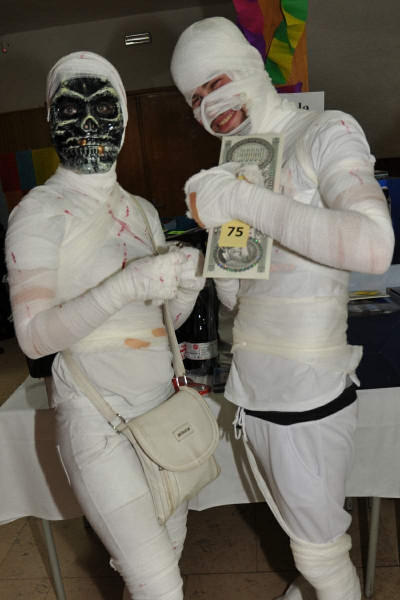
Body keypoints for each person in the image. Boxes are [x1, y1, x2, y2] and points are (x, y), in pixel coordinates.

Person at [170, 17, 394, 600]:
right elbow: (239, 297)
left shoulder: (325, 130)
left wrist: (243, 199)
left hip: (307, 391)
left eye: (215, 82)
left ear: (248, 67)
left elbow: (374, 245)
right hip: (253, 390)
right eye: (194, 98)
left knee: (319, 552)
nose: (208, 106)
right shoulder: (236, 162)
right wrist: (207, 263)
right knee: (301, 534)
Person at [6, 51, 205, 600]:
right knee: (159, 583)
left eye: (104, 108)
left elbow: (164, 324)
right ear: (51, 120)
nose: (90, 122)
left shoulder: (142, 211)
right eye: (73, 109)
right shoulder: (39, 212)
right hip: (96, 418)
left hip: (161, 411)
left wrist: (185, 288)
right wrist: (125, 285)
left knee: (165, 558)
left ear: (124, 120)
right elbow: (33, 337)